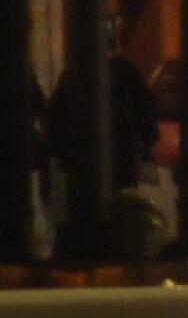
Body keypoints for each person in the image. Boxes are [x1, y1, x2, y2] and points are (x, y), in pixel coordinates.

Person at [49, 15, 159, 191]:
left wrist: (59, 149)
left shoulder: (76, 72)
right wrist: (147, 142)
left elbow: (57, 114)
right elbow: (146, 108)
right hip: (118, 154)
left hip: (90, 156)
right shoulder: (126, 71)